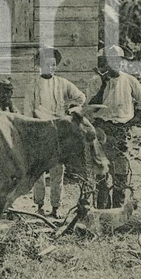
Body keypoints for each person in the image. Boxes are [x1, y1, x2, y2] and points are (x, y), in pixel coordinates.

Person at [24, 45, 86, 219]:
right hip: (39, 132)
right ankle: (39, 206)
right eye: (45, 63)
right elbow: (27, 112)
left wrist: (72, 109)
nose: (49, 67)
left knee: (57, 172)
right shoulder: (33, 86)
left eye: (52, 64)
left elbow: (81, 98)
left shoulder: (63, 83)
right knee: (38, 172)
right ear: (39, 64)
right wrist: (31, 133)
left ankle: (56, 207)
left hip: (59, 132)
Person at [84, 45, 141, 209]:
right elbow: (92, 107)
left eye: (119, 60)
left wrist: (129, 124)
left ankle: (118, 211)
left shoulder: (130, 81)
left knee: (121, 173)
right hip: (101, 130)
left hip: (121, 131)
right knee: (101, 173)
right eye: (112, 60)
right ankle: (102, 212)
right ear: (106, 62)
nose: (116, 64)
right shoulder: (96, 81)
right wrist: (103, 86)